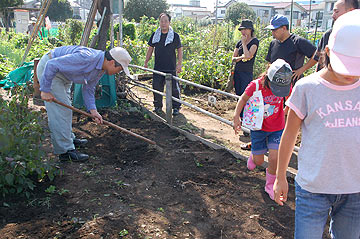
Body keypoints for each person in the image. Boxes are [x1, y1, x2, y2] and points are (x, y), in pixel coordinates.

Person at [274, 10, 360, 238]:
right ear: (329, 53)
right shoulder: (307, 88)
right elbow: (289, 134)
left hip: (355, 189)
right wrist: (280, 176)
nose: (351, 75)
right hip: (314, 189)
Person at [37, 46, 132, 162]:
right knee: (61, 111)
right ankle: (65, 151)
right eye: (120, 69)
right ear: (112, 62)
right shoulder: (87, 58)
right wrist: (45, 90)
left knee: (66, 109)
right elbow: (52, 64)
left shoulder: (101, 69)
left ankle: (69, 139)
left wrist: (93, 111)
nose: (119, 72)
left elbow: (88, 89)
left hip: (64, 75)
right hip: (50, 70)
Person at [233, 58, 292, 200]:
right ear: (268, 78)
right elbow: (243, 99)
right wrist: (236, 116)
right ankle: (254, 155)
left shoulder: (286, 86)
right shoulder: (256, 85)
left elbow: (291, 99)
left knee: (274, 157)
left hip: (277, 127)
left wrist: (285, 110)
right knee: (259, 162)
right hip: (258, 127)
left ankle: (270, 185)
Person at [144, 13, 183, 116]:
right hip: (158, 67)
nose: (163, 23)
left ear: (169, 22)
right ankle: (157, 106)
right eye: (162, 21)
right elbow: (150, 49)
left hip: (171, 67)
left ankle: (176, 107)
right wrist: (146, 62)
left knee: (174, 88)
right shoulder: (155, 35)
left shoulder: (174, 36)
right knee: (157, 86)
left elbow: (179, 50)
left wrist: (179, 64)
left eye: (166, 21)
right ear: (159, 23)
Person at [265, 15, 317, 83]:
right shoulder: (273, 43)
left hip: (292, 82)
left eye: (274, 30)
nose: (272, 33)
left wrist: (301, 70)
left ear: (284, 28)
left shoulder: (298, 41)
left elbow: (317, 54)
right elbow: (269, 63)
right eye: (272, 30)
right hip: (275, 83)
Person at [313, 0, 358, 71]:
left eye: (336, 12)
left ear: (351, 12)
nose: (333, 15)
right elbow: (320, 61)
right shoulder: (329, 35)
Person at [232, 19, 259, 114]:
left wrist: (244, 44)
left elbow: (248, 56)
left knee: (246, 95)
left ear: (250, 30)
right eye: (241, 30)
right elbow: (233, 58)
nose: (243, 32)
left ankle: (245, 116)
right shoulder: (238, 43)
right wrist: (242, 57)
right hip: (237, 71)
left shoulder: (254, 42)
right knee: (238, 93)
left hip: (246, 73)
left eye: (245, 29)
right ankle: (240, 116)